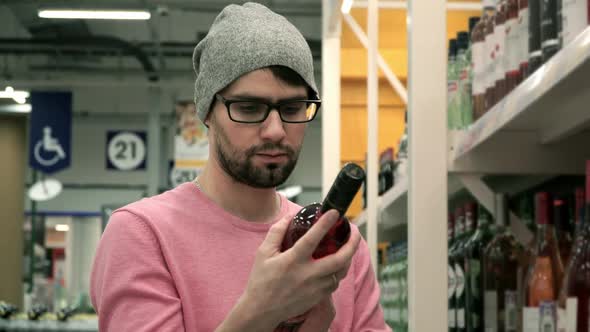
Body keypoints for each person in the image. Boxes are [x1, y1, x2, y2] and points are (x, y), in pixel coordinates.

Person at [90, 3, 389, 331]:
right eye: (248, 108)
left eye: (292, 107)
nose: (275, 129)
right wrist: (259, 310)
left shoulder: (341, 248)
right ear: (206, 112)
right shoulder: (142, 234)